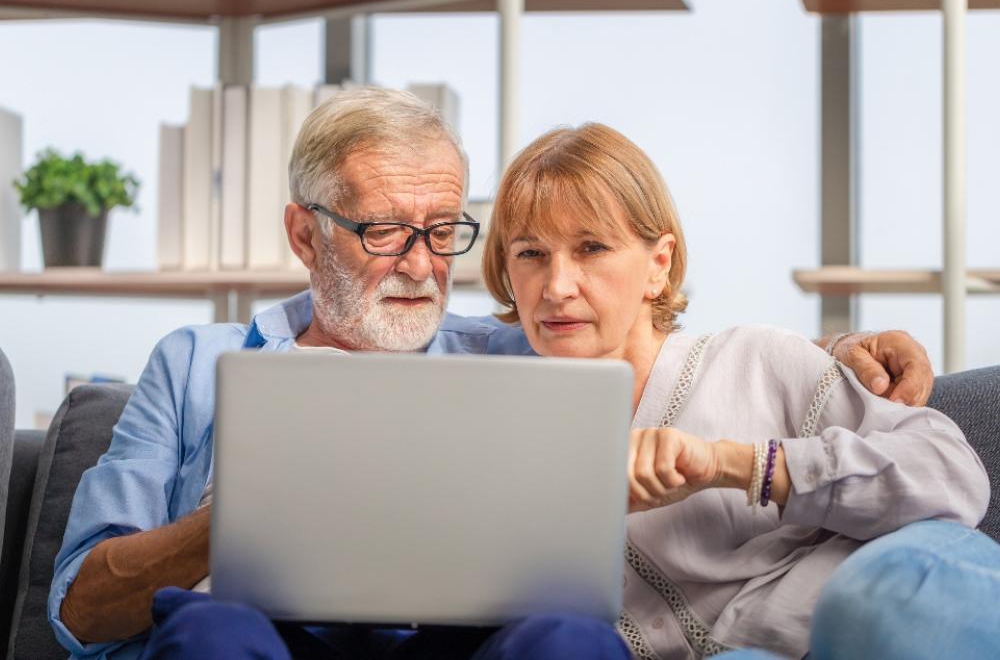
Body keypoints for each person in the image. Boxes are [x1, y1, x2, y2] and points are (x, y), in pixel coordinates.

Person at [50, 88, 937, 660]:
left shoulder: (515, 355)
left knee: (570, 639)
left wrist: (842, 357)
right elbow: (79, 609)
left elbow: (651, 347)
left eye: (444, 232)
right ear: (303, 233)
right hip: (254, 635)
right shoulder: (196, 363)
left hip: (460, 646)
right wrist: (239, 519)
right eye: (385, 230)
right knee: (208, 632)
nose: (422, 263)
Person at [478, 122, 998, 659]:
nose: (557, 286)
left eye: (591, 248)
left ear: (659, 265)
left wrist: (736, 465)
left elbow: (950, 474)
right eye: (530, 254)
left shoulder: (754, 360)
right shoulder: (505, 437)